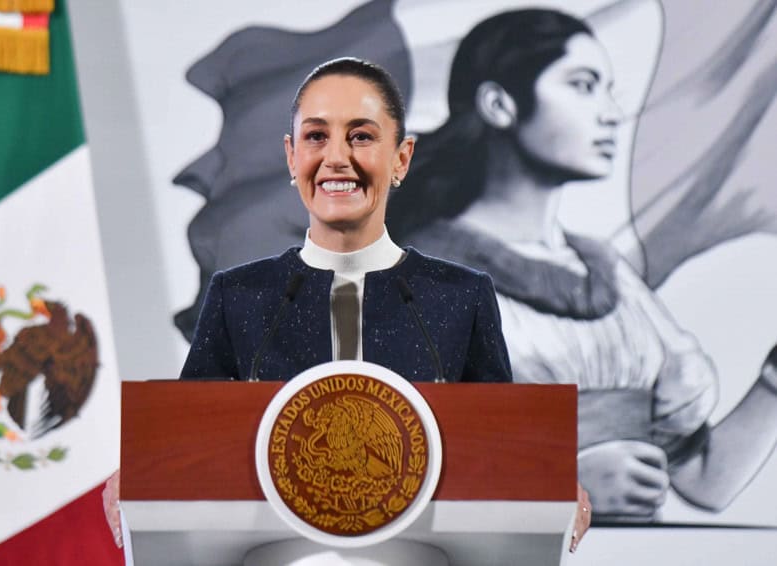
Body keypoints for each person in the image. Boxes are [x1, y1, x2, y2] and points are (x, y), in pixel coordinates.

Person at [178, 57, 591, 551]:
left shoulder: (460, 297)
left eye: (361, 136)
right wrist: (140, 471)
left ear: (401, 158)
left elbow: (497, 446)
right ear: (292, 158)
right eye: (315, 137)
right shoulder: (238, 297)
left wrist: (545, 477)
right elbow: (182, 445)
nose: (335, 157)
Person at [389, 8, 777, 522]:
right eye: (583, 85)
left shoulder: (608, 274)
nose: (613, 113)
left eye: (609, 88)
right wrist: (561, 485)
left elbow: (705, 481)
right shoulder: (420, 279)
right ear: (499, 104)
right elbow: (388, 476)